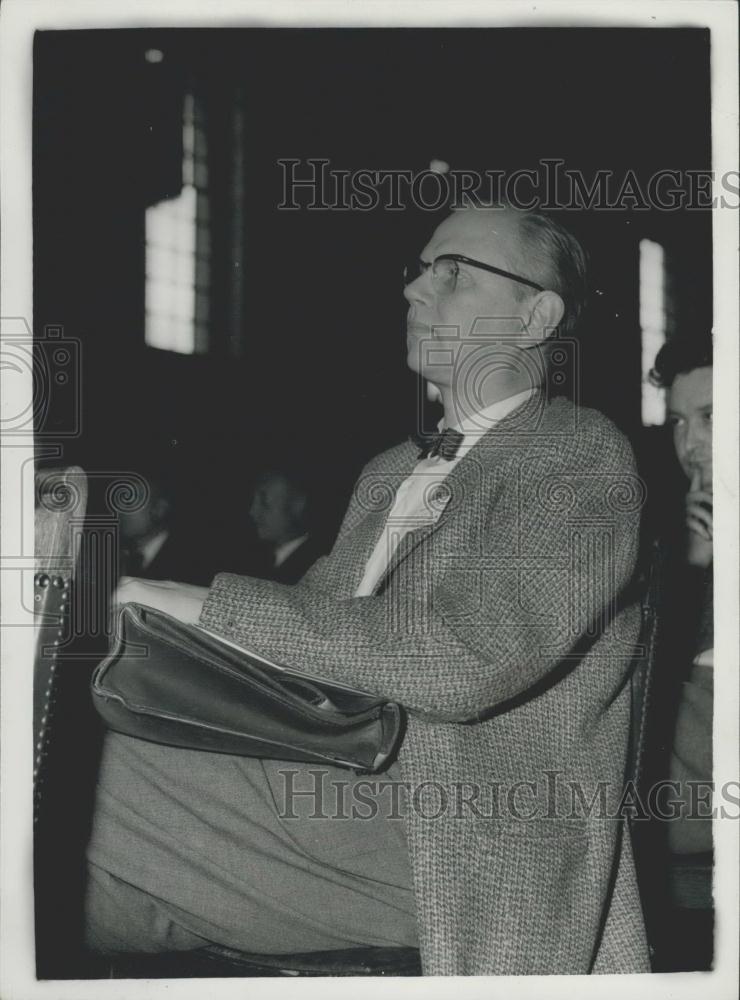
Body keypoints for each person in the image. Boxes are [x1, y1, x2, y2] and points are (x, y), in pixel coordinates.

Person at [87, 204, 648, 975]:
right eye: (418, 271)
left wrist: (196, 600)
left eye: (451, 273)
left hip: (460, 833)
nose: (416, 291)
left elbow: (463, 662)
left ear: (535, 314)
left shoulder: (577, 456)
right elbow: (307, 655)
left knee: (89, 781)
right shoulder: (389, 472)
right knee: (73, 791)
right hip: (340, 789)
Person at [647, 334, 713, 970]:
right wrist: (697, 567)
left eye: (712, 418)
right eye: (678, 423)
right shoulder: (697, 541)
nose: (690, 444)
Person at [249, 468, 326, 584]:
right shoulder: (259, 559)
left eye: (264, 502)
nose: (253, 512)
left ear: (297, 505)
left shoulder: (315, 569)